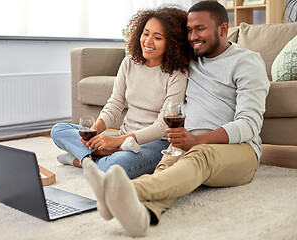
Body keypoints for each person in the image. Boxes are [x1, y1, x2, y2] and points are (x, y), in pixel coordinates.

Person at [82, 1, 270, 237]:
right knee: (165, 173)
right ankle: (142, 218)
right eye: (189, 30)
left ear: (223, 28)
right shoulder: (189, 60)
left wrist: (197, 140)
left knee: (200, 156)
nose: (193, 36)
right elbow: (156, 53)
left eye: (200, 29)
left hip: (237, 150)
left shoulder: (247, 61)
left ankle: (123, 190)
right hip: (185, 144)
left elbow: (249, 123)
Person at [51, 6, 193, 179]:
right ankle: (101, 153)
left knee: (115, 167)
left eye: (157, 37)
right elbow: (115, 104)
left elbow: (162, 126)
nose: (148, 41)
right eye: (145, 33)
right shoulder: (129, 63)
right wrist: (95, 133)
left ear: (172, 43)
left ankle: (82, 159)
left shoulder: (177, 74)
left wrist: (116, 142)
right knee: (59, 130)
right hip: (124, 139)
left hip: (155, 144)